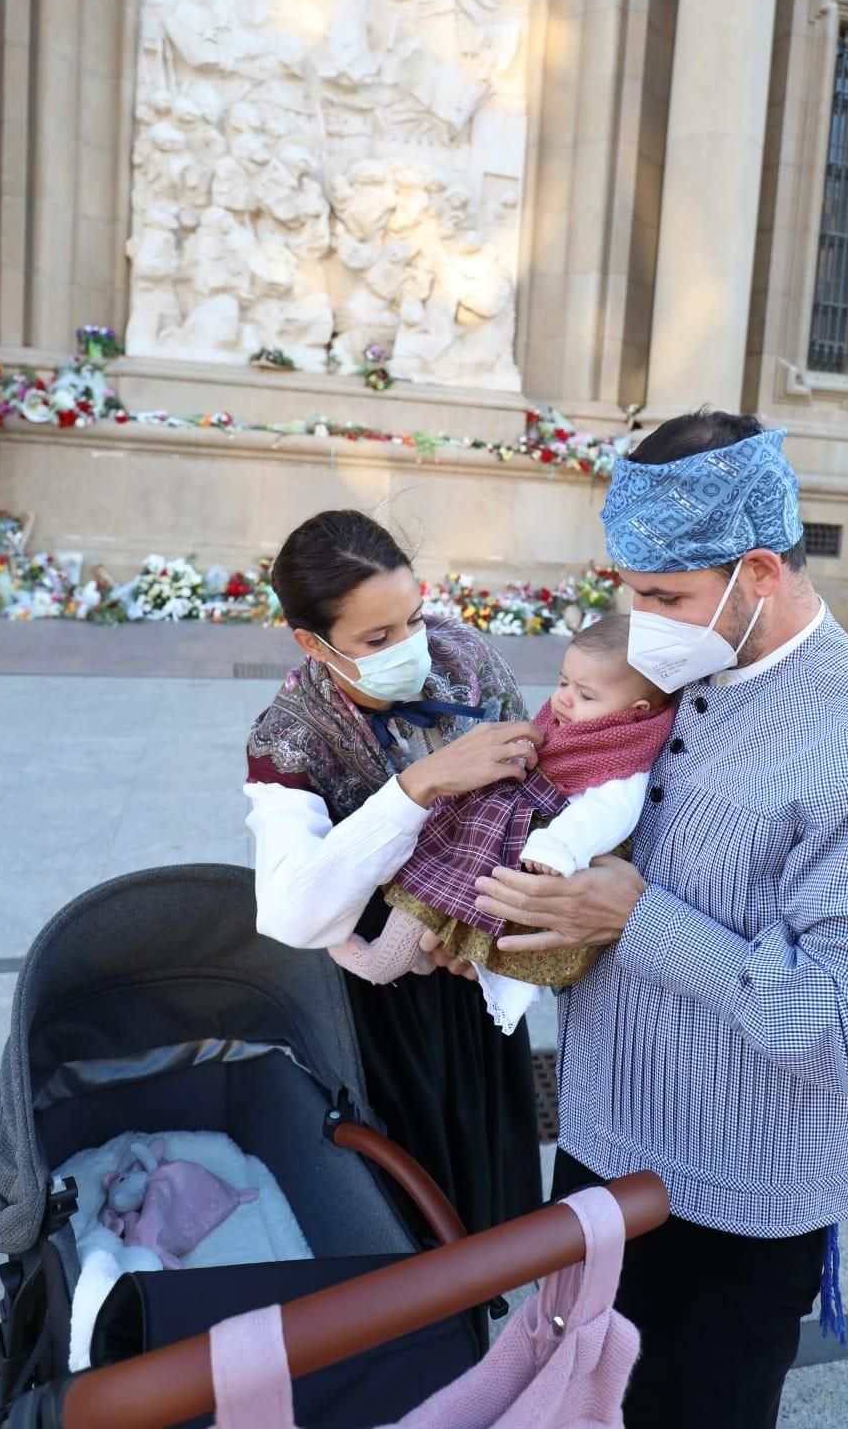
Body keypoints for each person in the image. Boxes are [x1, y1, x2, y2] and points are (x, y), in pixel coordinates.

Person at [473, 410, 848, 1429]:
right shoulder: (670, 676)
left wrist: (641, 919)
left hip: (731, 1198)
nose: (638, 619)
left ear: (756, 575)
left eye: (663, 596)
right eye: (627, 590)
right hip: (601, 1149)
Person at [244, 509, 542, 1236]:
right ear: (313, 643)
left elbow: (538, 793)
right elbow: (291, 912)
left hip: (477, 971)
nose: (412, 649)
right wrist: (417, 788)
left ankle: (485, 1295)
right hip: (382, 1011)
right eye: (377, 640)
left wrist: (494, 926)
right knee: (410, 1204)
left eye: (412, 618)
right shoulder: (291, 737)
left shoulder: (464, 658)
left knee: (488, 1182)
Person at [332, 615, 677, 1035]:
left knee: (433, 897)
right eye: (563, 682)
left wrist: (559, 846)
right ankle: (412, 956)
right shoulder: (579, 729)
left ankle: (378, 965)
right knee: (432, 893)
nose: (564, 699)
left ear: (634, 711)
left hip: (523, 853)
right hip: (499, 830)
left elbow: (607, 815)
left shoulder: (621, 759)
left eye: (584, 694)